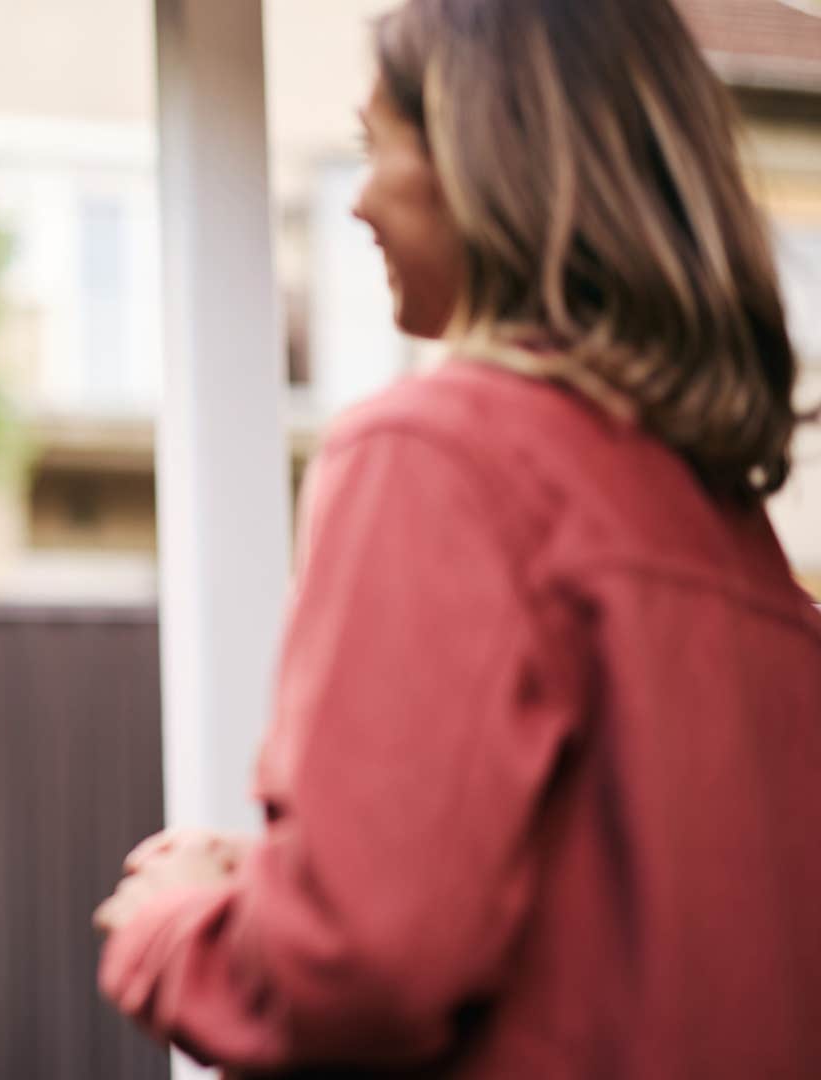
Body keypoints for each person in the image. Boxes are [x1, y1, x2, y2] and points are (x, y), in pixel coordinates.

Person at [94, 0, 821, 1076]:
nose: (361, 204)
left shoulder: (437, 455)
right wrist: (288, 878)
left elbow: (353, 969)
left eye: (372, 146)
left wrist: (174, 924)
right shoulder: (736, 541)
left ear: (487, 165)